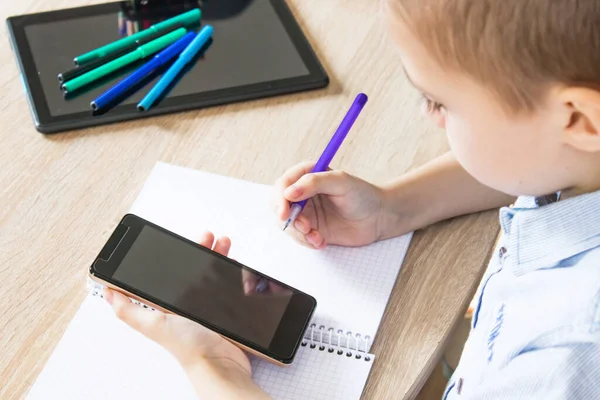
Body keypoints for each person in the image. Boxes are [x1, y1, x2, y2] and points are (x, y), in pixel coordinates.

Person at [104, 0, 600, 398]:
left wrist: (212, 369)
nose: (429, 116)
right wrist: (395, 206)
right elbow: (543, 155)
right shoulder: (576, 156)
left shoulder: (559, 361)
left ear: (579, 118)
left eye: (440, 101)